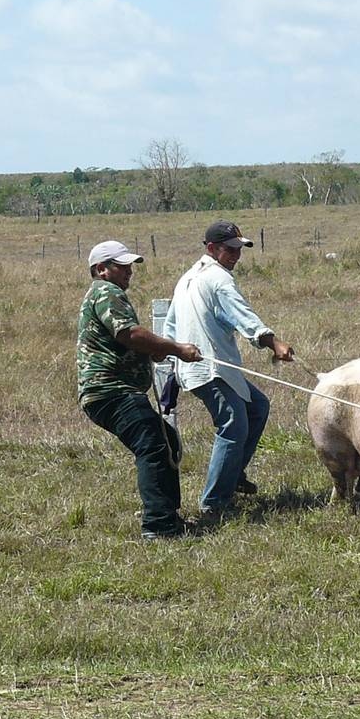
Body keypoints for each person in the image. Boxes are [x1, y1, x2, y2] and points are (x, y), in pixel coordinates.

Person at [162, 221, 295, 515]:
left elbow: (170, 325)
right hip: (210, 369)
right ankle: (214, 504)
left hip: (203, 367)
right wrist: (273, 342)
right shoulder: (217, 279)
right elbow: (241, 314)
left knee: (257, 406)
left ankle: (233, 475)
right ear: (211, 248)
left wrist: (173, 358)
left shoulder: (187, 277)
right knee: (234, 424)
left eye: (239, 249)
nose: (236, 255)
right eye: (230, 249)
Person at [77, 240, 202, 540]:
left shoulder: (104, 293)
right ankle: (158, 526)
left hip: (110, 391)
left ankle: (167, 516)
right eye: (121, 266)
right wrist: (175, 348)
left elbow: (127, 340)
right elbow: (128, 333)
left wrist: (152, 350)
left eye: (129, 266)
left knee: (165, 439)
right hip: (111, 390)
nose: (129, 271)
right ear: (101, 270)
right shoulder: (107, 292)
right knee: (153, 445)